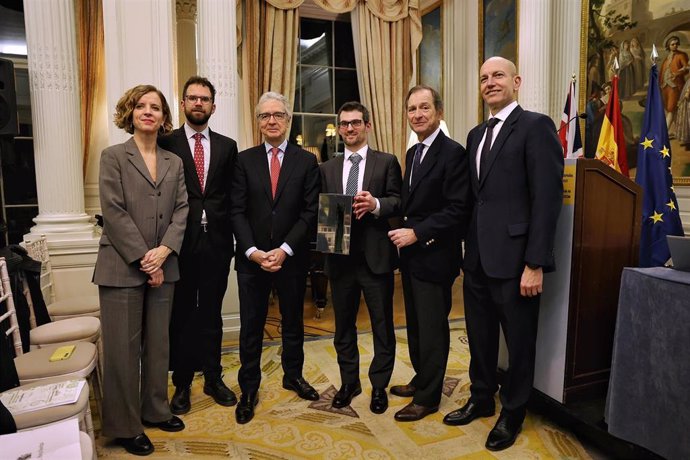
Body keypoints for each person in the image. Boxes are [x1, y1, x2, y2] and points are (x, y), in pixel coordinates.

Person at [442, 57, 563, 452]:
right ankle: (480, 397)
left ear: (516, 81)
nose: (490, 82)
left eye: (497, 76)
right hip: (477, 259)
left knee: (520, 341)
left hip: (517, 263)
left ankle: (513, 411)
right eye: (483, 78)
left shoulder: (535, 126)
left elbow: (546, 200)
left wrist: (536, 262)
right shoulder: (476, 134)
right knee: (478, 337)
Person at [93, 84, 189, 456]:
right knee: (122, 350)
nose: (148, 112)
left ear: (164, 118)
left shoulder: (174, 162)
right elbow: (113, 212)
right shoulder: (113, 156)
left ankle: (155, 409)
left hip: (165, 264)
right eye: (141, 106)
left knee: (158, 346)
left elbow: (182, 210)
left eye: (156, 107)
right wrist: (145, 258)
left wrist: (163, 252)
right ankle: (124, 425)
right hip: (121, 267)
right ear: (130, 113)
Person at [230, 91, 321, 424]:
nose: (271, 120)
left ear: (288, 119)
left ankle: (292, 375)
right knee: (251, 327)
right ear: (258, 122)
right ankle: (249, 388)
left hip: (291, 259)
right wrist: (253, 251)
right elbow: (236, 211)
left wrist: (284, 250)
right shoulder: (243, 160)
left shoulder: (306, 161)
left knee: (293, 322)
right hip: (251, 260)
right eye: (264, 116)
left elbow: (310, 213)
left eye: (277, 115)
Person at [387, 85, 470, 422]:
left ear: (439, 112)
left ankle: (428, 398)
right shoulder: (413, 152)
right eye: (411, 109)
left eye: (424, 108)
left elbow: (458, 209)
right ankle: (422, 378)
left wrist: (417, 232)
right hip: (412, 257)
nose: (417, 115)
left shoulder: (453, 153)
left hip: (436, 255)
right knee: (417, 326)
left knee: (433, 329)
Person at [157, 76, 239, 415]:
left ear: (213, 106)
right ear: (183, 103)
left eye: (204, 99)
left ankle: (213, 377)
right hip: (180, 244)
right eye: (192, 98)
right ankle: (183, 383)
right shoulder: (166, 143)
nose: (198, 104)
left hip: (218, 244)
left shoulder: (227, 146)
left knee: (211, 314)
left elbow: (233, 197)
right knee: (182, 316)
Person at [319, 101, 402, 414]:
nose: (350, 128)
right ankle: (349, 382)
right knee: (343, 328)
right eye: (344, 124)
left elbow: (398, 201)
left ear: (368, 126)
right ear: (339, 129)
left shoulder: (386, 162)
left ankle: (379, 386)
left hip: (375, 259)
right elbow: (322, 210)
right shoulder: (326, 168)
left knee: (382, 327)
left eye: (355, 122)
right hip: (340, 261)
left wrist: (376, 204)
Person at [660, 36, 689, 136]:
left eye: (676, 44)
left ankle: (664, 133)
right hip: (665, 86)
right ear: (668, 45)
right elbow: (662, 71)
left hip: (675, 86)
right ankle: (679, 131)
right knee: (671, 109)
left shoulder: (682, 55)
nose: (675, 46)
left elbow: (686, 68)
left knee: (671, 108)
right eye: (673, 44)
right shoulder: (667, 57)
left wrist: (676, 74)